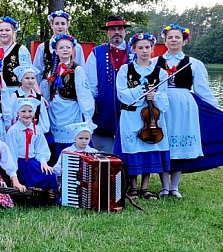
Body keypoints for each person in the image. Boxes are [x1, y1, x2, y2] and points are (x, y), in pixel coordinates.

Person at [155, 24, 222, 198]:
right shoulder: (155, 62)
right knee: (163, 143)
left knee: (180, 145)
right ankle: (164, 186)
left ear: (184, 41)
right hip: (162, 105)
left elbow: (202, 90)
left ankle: (175, 186)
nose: (174, 40)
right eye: (170, 37)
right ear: (165, 40)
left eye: (177, 37)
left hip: (184, 106)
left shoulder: (193, 63)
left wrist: (216, 110)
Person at [114, 32, 169, 200]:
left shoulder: (160, 73)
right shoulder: (125, 69)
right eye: (140, 48)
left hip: (152, 117)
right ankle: (132, 187)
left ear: (152, 49)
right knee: (133, 150)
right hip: (131, 116)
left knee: (149, 147)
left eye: (148, 47)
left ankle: (145, 187)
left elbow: (165, 99)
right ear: (133, 49)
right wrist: (141, 90)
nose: (144, 51)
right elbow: (121, 93)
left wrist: (155, 97)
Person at [85, 15, 133, 152]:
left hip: (129, 110)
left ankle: (128, 173)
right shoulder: (96, 53)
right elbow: (91, 82)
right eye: (113, 29)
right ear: (107, 32)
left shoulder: (135, 52)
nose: (117, 32)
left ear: (125, 31)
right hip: (103, 110)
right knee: (103, 151)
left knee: (128, 146)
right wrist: (92, 104)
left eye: (120, 29)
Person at [42, 34, 94, 160]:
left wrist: (87, 116)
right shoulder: (52, 70)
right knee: (56, 144)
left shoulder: (78, 70)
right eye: (61, 47)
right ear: (56, 50)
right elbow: (47, 92)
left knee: (71, 140)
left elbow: (84, 94)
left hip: (71, 111)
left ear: (72, 50)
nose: (65, 50)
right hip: (55, 112)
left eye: (68, 47)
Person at [5, 98, 57, 193]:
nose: (27, 114)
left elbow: (41, 148)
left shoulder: (37, 129)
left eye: (30, 111)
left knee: (49, 175)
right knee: (27, 179)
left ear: (34, 112)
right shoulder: (13, 131)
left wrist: (43, 162)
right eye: (23, 111)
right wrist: (13, 173)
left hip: (33, 161)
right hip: (20, 163)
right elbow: (11, 153)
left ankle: (47, 196)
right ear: (18, 113)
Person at [33, 10, 86, 84]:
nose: (60, 26)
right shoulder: (43, 47)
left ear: (67, 25)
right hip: (46, 87)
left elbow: (82, 69)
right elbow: (37, 71)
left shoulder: (76, 47)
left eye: (63, 23)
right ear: (51, 25)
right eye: (57, 23)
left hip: (70, 87)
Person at [0, 16, 33, 101]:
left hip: (14, 92)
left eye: (7, 30)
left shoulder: (20, 49)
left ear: (13, 32)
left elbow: (28, 73)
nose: (4, 33)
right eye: (1, 30)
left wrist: (38, 94)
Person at [3, 65, 50, 135]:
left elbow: (43, 116)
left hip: (34, 132)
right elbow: (11, 114)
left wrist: (40, 130)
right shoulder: (15, 96)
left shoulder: (39, 98)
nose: (30, 80)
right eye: (27, 78)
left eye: (32, 78)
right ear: (20, 79)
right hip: (18, 132)